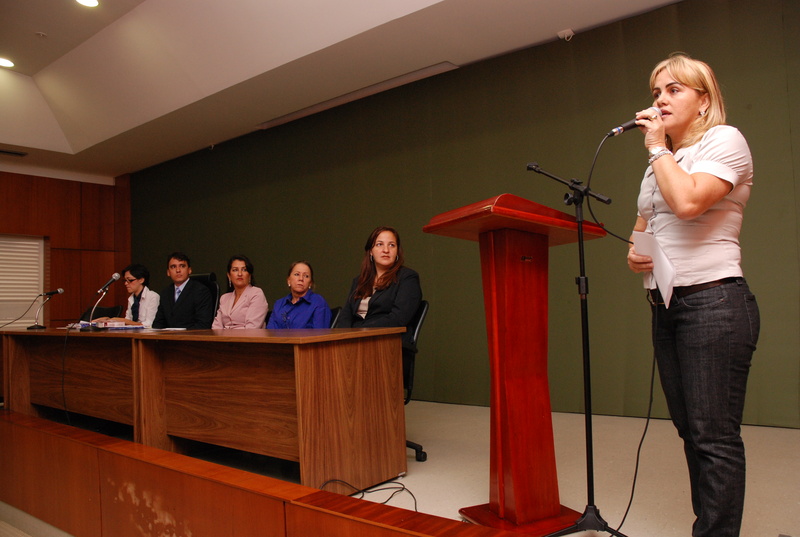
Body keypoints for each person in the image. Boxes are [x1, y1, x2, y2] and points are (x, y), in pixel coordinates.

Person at [626, 53, 760, 537]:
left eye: (674, 89)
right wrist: (635, 252)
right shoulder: (660, 161)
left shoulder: (724, 140)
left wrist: (656, 147)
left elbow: (686, 203)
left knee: (714, 436)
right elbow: (646, 222)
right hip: (667, 305)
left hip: (714, 303)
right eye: (655, 92)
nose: (660, 99)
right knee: (690, 431)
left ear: (703, 100)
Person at [336, 226, 422, 353]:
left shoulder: (408, 278)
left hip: (389, 345)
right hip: (356, 342)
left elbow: (398, 318)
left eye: (391, 245)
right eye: (379, 244)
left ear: (397, 251)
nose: (386, 250)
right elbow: (346, 314)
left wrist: (360, 332)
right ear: (371, 251)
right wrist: (345, 337)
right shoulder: (359, 281)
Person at [152, 252, 215, 329]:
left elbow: (203, 325)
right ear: (168, 272)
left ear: (189, 270)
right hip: (168, 336)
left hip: (191, 335)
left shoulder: (201, 291)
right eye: (173, 267)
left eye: (182, 266)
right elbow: (158, 324)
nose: (178, 270)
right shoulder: (165, 293)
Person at [267, 261, 331, 329]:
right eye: (297, 274)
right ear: (289, 280)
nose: (301, 279)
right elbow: (270, 332)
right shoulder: (279, 304)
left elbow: (320, 333)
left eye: (306, 276)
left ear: (310, 283)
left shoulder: (318, 302)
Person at [212, 255, 268, 329]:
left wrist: (226, 333)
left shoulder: (256, 293)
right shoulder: (224, 298)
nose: (240, 274)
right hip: (223, 336)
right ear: (229, 275)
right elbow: (216, 327)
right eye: (235, 270)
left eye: (244, 270)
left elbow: (252, 328)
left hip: (249, 336)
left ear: (249, 275)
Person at [98, 263, 160, 328]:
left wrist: (122, 321)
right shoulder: (131, 298)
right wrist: (109, 320)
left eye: (130, 280)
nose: (126, 283)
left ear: (141, 280)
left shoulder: (153, 296)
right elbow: (128, 320)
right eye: (125, 280)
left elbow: (149, 324)